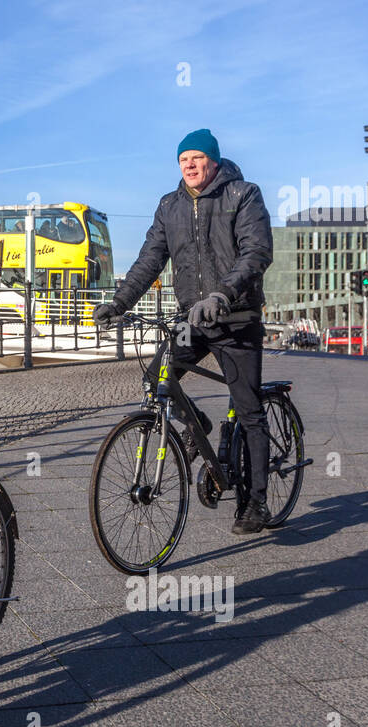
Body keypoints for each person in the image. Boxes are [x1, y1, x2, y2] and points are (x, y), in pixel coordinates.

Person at [93, 129, 274, 534]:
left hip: (236, 317)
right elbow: (149, 260)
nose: (189, 165)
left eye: (196, 158)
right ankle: (198, 428)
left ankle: (256, 502)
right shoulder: (169, 205)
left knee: (248, 409)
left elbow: (256, 252)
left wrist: (223, 294)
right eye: (183, 160)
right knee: (157, 378)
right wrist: (119, 303)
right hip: (193, 319)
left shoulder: (243, 194)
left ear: (213, 161)